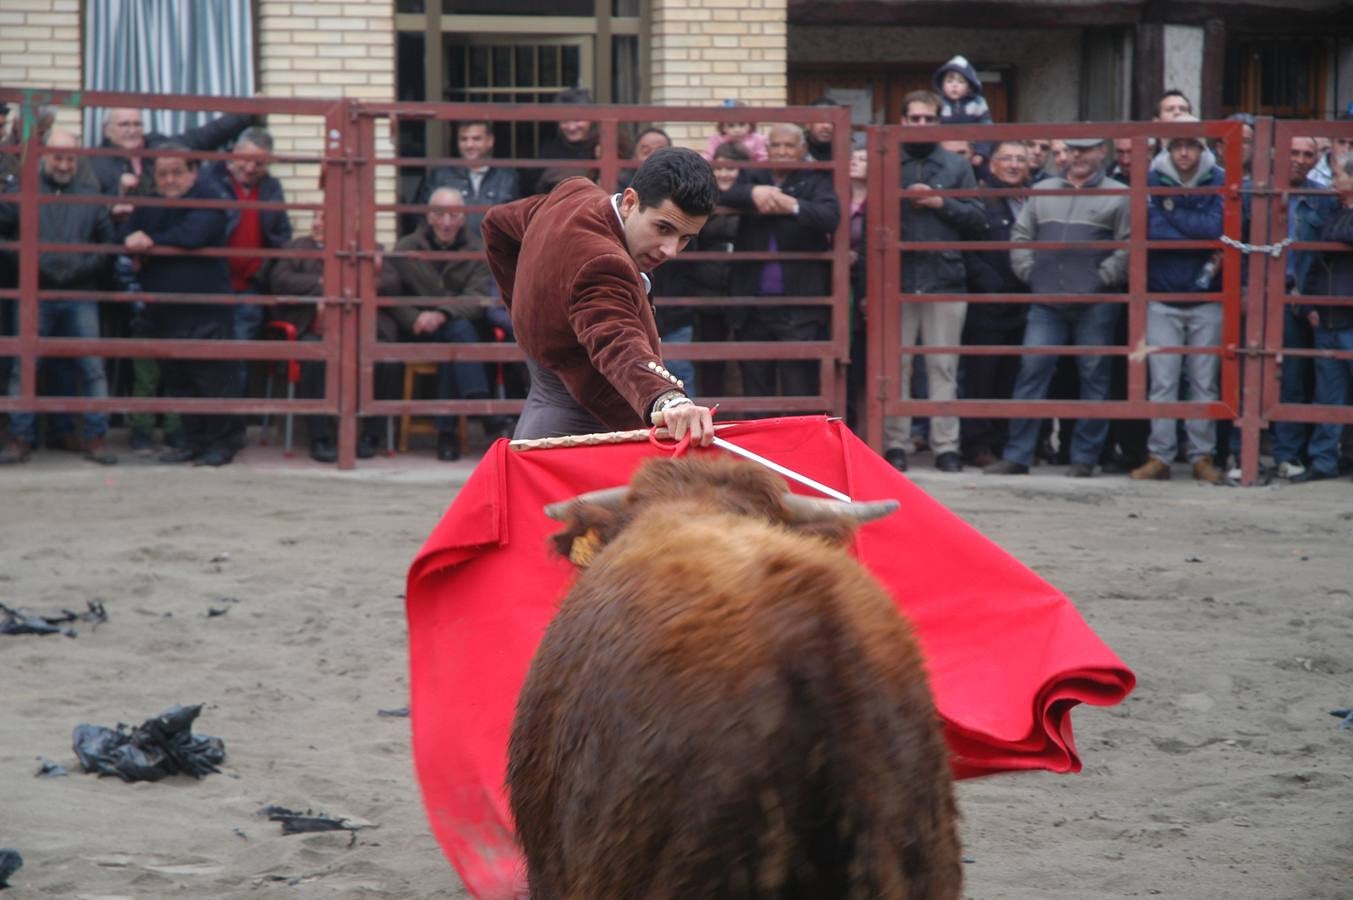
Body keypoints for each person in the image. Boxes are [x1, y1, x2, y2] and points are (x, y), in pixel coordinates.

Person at [481, 147, 718, 443]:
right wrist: (667, 399)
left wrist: (526, 309)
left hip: (545, 416)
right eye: (663, 227)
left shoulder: (573, 196)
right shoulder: (603, 264)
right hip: (581, 435)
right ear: (631, 202)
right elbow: (618, 341)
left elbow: (496, 222)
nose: (670, 250)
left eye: (685, 238)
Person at [984, 136, 1130, 478]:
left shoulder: (1118, 195)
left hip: (1096, 302)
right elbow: (1021, 236)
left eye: (1086, 149)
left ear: (1101, 152)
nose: (1078, 155)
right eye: (1073, 149)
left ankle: (1084, 458)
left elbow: (1129, 245)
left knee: (1094, 375)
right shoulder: (1044, 190)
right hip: (1046, 300)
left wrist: (1102, 278)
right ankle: (1018, 455)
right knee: (1032, 371)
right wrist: (1030, 273)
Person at [121, 141, 243, 467]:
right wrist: (135, 240)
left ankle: (222, 445)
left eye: (177, 172)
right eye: (163, 174)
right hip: (165, 312)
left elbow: (194, 234)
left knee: (215, 380)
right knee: (180, 381)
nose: (170, 180)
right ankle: (193, 442)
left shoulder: (210, 201)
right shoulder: (149, 205)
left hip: (206, 310)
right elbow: (130, 234)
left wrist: (151, 242)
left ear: (193, 173)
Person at [0, 130, 117, 466]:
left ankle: (96, 437)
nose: (64, 164)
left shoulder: (91, 195)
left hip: (80, 292)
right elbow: (4, 232)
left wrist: (82, 266)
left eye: (70, 158)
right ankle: (20, 436)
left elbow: (108, 243)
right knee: (24, 367)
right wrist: (28, 261)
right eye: (58, 157)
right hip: (34, 293)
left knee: (91, 367)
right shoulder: (23, 192)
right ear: (43, 157)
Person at [884, 91, 986, 473]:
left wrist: (941, 202)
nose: (922, 125)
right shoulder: (889, 160)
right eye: (915, 118)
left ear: (939, 122)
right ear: (904, 121)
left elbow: (979, 220)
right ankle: (897, 445)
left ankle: (947, 447)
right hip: (896, 281)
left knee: (943, 367)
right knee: (897, 367)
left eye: (929, 119)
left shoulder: (956, 166)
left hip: (945, 278)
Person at [1130, 117, 1227, 485]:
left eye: (1191, 145)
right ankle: (1161, 455)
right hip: (1162, 294)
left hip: (1207, 296)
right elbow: (1150, 228)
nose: (1184, 152)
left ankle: (1202, 456)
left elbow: (1217, 228)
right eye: (1177, 146)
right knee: (1163, 381)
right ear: (1167, 149)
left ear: (1202, 148)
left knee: (1205, 381)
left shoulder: (1217, 179)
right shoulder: (1152, 178)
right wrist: (1192, 227)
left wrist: (1171, 211)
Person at [263, 210, 400, 463]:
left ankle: (371, 436)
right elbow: (281, 280)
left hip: (364, 332)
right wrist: (326, 282)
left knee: (385, 360)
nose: (316, 223)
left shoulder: (371, 247)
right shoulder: (295, 248)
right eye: (314, 216)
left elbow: (392, 281)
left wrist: (352, 281)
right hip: (314, 330)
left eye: (324, 217)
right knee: (316, 358)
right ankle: (320, 438)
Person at [720, 123, 841, 409]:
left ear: (802, 150)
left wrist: (792, 205)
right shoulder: (754, 175)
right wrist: (754, 194)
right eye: (776, 146)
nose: (782, 152)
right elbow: (721, 192)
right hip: (752, 305)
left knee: (798, 388)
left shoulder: (816, 179)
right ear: (766, 149)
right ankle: (757, 452)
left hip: (798, 305)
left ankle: (796, 453)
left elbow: (830, 216)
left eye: (789, 146)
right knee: (755, 389)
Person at [387, 187, 500, 461]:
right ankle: (478, 409)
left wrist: (441, 313)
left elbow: (477, 297)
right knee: (459, 336)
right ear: (428, 216)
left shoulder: (478, 250)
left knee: (456, 337)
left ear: (463, 218)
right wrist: (414, 318)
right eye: (439, 214)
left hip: (454, 327)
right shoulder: (406, 248)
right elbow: (389, 293)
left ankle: (447, 435)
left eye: (454, 215)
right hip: (415, 332)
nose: (447, 222)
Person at [200, 127, 293, 452]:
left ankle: (231, 433)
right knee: (206, 359)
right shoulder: (210, 179)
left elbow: (281, 236)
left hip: (249, 289)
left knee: (238, 359)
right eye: (247, 160)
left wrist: (260, 273)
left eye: (260, 164)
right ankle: (205, 432)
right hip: (211, 285)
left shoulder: (271, 189)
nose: (251, 169)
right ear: (234, 153)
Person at [960, 139, 1032, 468]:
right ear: (993, 165)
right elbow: (965, 247)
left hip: (1025, 303)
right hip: (987, 305)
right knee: (981, 379)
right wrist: (988, 282)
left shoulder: (1034, 197)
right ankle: (978, 445)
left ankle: (1006, 444)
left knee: (1012, 378)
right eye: (1007, 159)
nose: (1014, 165)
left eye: (1021, 158)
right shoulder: (979, 198)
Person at [1272, 135, 1340, 479]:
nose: (1299, 159)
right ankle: (1281, 453)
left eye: (1307, 154)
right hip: (1270, 296)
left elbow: (1328, 251)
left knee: (1321, 379)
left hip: (1311, 297)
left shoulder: (1323, 197)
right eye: (1293, 151)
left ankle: (1306, 456)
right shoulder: (1260, 191)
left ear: (1318, 158)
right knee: (1287, 380)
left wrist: (1313, 298)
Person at [1291, 156, 1353, 483]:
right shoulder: (1338, 210)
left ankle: (1330, 458)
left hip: (1347, 315)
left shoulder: (1342, 215)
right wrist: (1311, 303)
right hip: (1329, 315)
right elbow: (1317, 258)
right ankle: (1323, 460)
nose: (1332, 179)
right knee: (1328, 393)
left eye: (1339, 174)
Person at [89, 106, 254, 199]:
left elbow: (207, 135)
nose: (132, 130)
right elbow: (87, 207)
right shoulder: (93, 162)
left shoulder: (160, 146)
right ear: (106, 129)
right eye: (124, 125)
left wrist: (249, 111)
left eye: (137, 124)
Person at [411, 119, 520, 242]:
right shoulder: (440, 176)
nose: (469, 145)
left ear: (490, 141)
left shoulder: (508, 178)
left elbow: (516, 223)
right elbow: (420, 218)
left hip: (494, 254)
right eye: (463, 139)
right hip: (454, 256)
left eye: (476, 139)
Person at [522, 87, 598, 196]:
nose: (571, 127)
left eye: (578, 120)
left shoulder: (603, 146)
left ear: (591, 118)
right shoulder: (550, 150)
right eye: (565, 121)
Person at [933, 55, 993, 169]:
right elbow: (932, 129)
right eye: (949, 81)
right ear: (942, 85)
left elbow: (986, 129)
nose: (954, 85)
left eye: (960, 81)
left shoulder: (978, 103)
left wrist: (981, 153)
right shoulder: (937, 103)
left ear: (969, 87)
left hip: (972, 153)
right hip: (943, 152)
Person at [702, 99, 769, 162]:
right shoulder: (716, 139)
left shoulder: (757, 139)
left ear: (750, 124)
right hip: (723, 172)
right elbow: (708, 156)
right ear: (723, 127)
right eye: (731, 125)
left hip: (750, 172)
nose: (737, 130)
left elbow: (762, 159)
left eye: (742, 124)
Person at [804, 96, 838, 162]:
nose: (826, 126)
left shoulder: (847, 151)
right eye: (820, 120)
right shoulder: (797, 150)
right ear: (808, 124)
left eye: (831, 121)